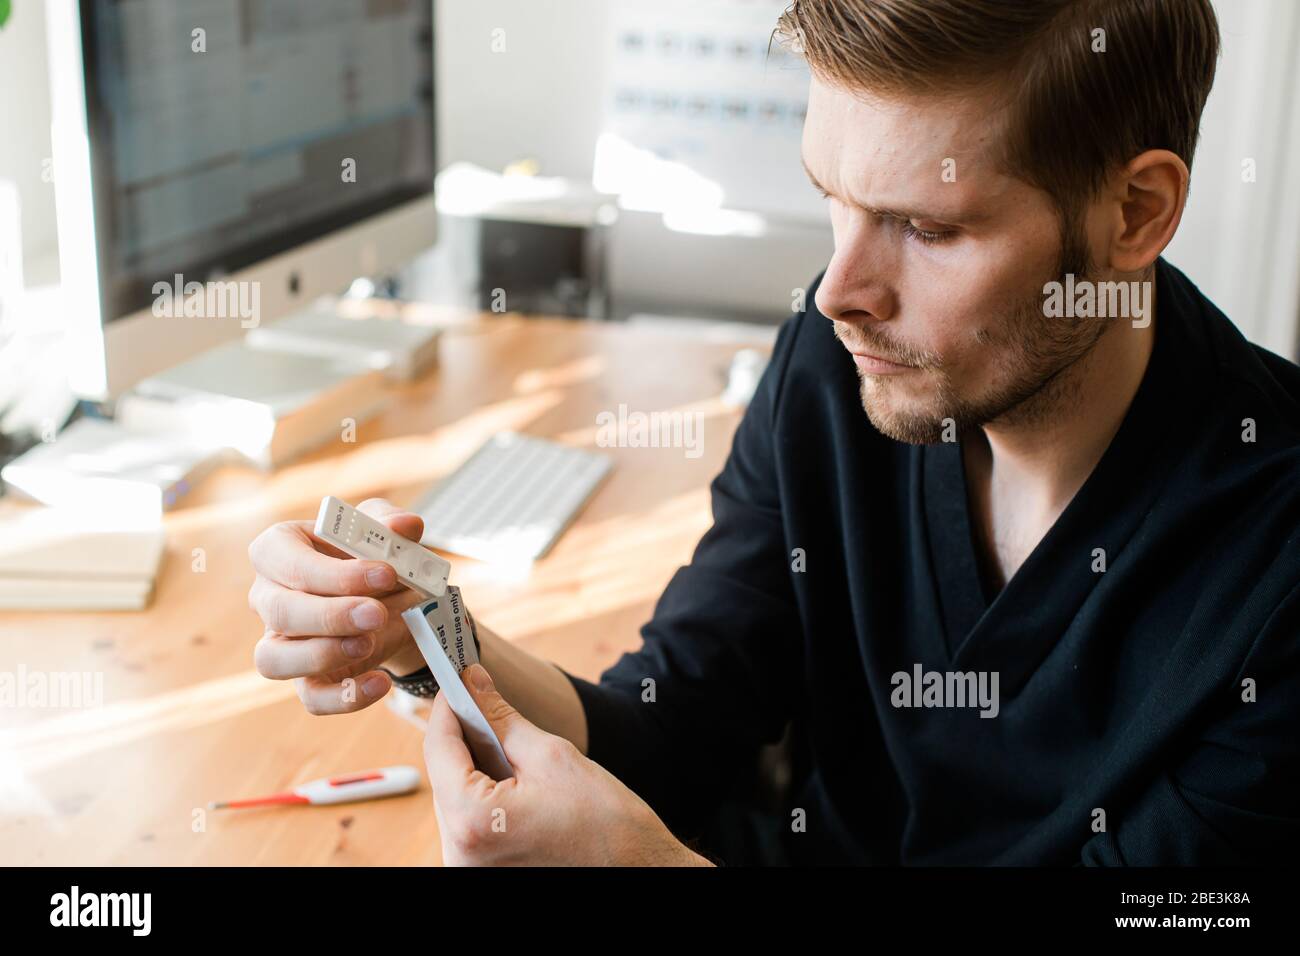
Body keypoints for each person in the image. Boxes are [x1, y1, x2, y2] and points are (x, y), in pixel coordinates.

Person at [247, 0, 1300, 865]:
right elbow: (673, 728)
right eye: (833, 200)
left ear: (1135, 214)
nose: (841, 290)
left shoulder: (1275, 566)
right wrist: (425, 635)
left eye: (928, 229)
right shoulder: (839, 364)